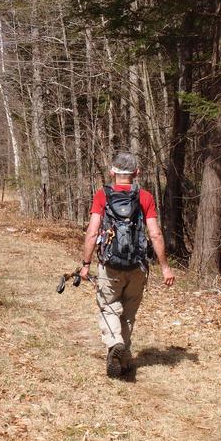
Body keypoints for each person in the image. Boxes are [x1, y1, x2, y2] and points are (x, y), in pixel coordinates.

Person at [79, 152, 175, 378]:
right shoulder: (145, 197)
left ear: (112, 172)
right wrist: (165, 267)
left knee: (109, 306)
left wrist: (86, 264)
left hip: (110, 265)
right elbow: (155, 233)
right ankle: (124, 358)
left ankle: (114, 343)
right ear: (136, 173)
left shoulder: (102, 195)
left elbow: (92, 232)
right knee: (129, 313)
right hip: (137, 266)